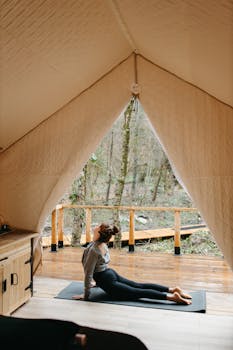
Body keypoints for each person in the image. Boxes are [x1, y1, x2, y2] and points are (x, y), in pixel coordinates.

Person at [72, 223, 192, 305]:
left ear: (99, 234)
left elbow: (88, 272)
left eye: (96, 228)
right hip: (109, 273)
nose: (95, 227)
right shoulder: (102, 244)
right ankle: (172, 289)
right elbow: (99, 266)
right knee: (138, 286)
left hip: (106, 280)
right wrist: (95, 282)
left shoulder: (93, 248)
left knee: (136, 292)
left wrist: (86, 295)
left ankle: (172, 297)